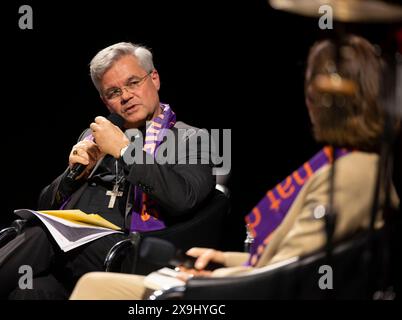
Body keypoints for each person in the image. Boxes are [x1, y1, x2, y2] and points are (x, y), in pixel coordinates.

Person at [69, 35, 400, 300]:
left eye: (313, 91)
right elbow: (288, 259)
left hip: (226, 285)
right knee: (39, 264)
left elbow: (287, 275)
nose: (125, 97)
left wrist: (208, 280)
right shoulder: (354, 168)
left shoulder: (351, 174)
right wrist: (225, 259)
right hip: (245, 275)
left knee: (92, 284)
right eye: (114, 92)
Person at [0, 42, 215, 299]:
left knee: (43, 233)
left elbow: (183, 198)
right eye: (113, 92)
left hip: (133, 253)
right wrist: (72, 175)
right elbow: (46, 206)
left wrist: (125, 152)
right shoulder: (95, 137)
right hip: (76, 253)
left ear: (154, 79)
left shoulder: (191, 138)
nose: (125, 96)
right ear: (105, 101)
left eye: (133, 83)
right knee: (28, 288)